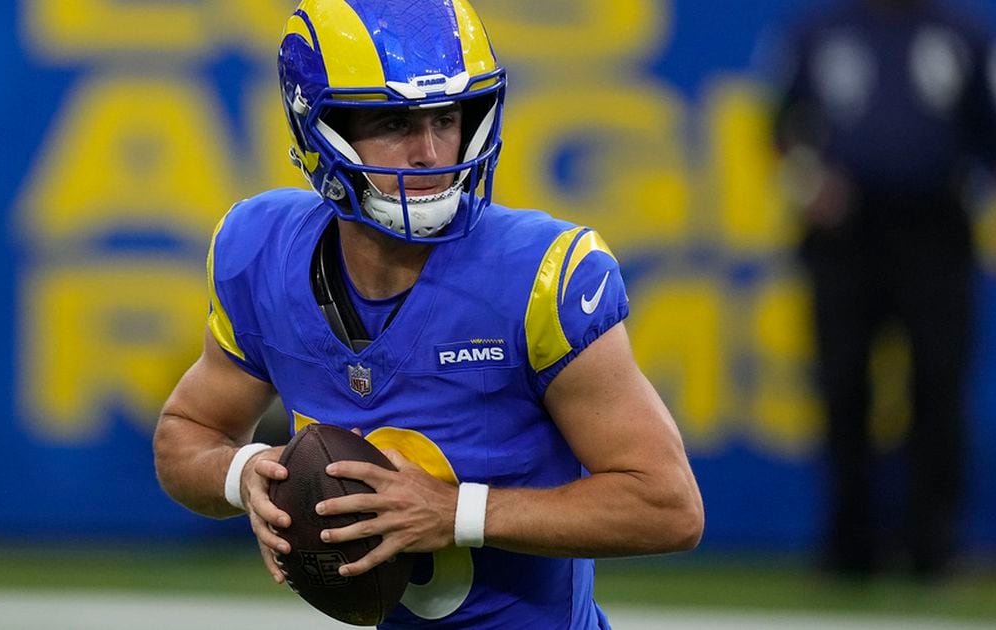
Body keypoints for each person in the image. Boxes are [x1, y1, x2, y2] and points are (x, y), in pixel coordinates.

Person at [153, 0, 704, 627]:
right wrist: (245, 473)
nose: (429, 151)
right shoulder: (261, 254)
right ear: (317, 130)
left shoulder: (540, 277)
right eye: (392, 122)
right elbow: (185, 437)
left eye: (446, 116)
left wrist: (457, 513)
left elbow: (668, 506)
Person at [770, 0, 996, 580]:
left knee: (939, 383)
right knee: (842, 382)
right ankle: (849, 546)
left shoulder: (965, 36)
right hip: (847, 232)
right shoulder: (821, 34)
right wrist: (811, 186)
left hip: (934, 227)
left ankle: (933, 547)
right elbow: (780, 131)